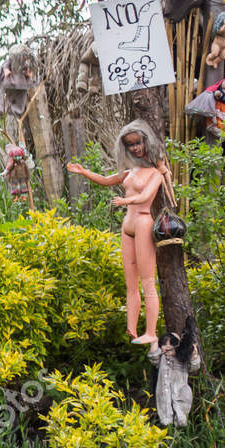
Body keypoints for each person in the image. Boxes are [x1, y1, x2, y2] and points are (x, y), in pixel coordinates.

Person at [67, 120, 168, 346]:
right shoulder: (130, 171)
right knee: (131, 283)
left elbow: (145, 197)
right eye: (130, 144)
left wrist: (126, 200)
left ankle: (150, 331)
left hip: (143, 221)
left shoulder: (156, 173)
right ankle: (131, 327)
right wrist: (84, 172)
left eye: (138, 143)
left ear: (146, 142)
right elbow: (106, 181)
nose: (135, 148)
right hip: (128, 225)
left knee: (147, 280)